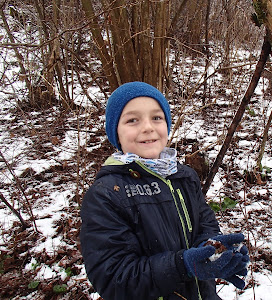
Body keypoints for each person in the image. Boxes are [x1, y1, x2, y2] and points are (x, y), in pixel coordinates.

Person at [80, 82, 249, 300]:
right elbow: (113, 278)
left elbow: (205, 224)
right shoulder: (106, 194)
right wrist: (182, 266)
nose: (148, 127)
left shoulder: (184, 177)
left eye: (157, 118)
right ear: (116, 133)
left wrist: (213, 250)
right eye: (132, 120)